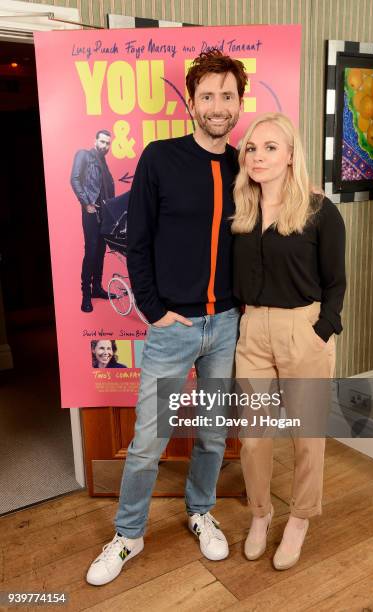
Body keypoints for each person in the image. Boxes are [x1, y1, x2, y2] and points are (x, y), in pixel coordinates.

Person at [86, 50, 247, 586]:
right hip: (172, 330)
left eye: (227, 95)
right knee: (148, 441)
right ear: (192, 102)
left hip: (224, 326)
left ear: (239, 102)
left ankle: (200, 511)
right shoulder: (160, 158)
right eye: (208, 96)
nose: (218, 106)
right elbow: (139, 243)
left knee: (211, 434)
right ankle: (128, 534)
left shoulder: (243, 163)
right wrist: (155, 312)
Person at [232, 113, 346, 569]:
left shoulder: (319, 210)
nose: (259, 156)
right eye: (252, 148)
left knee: (306, 436)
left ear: (291, 155)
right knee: (255, 437)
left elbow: (336, 281)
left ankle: (300, 517)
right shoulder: (240, 207)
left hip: (304, 330)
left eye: (271, 147)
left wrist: (323, 330)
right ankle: (261, 513)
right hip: (252, 331)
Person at [70, 130, 115, 313]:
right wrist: (86, 202)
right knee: (91, 251)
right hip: (91, 212)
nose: (105, 146)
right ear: (95, 140)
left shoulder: (103, 162)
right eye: (102, 142)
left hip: (105, 213)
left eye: (107, 143)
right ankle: (86, 294)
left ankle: (96, 287)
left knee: (101, 251)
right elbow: (74, 179)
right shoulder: (84, 155)